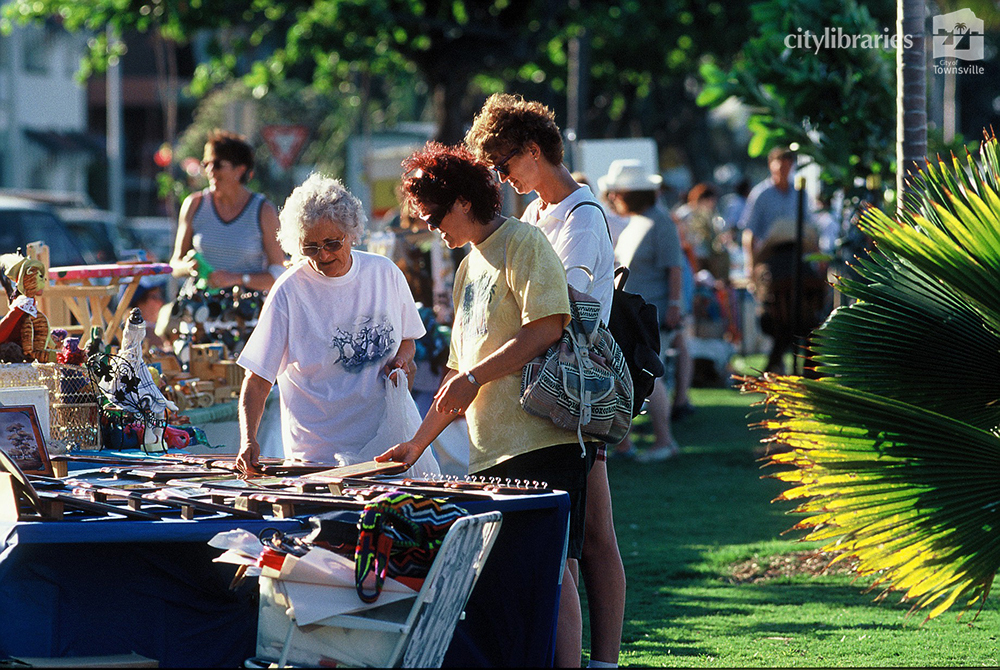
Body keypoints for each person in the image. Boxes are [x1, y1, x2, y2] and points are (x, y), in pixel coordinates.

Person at [375, 142, 591, 669]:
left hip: (543, 441)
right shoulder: (467, 266)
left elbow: (545, 327)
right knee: (512, 576)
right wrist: (416, 444)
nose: (431, 228)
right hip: (488, 451)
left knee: (553, 570)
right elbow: (455, 372)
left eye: (434, 215)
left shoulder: (525, 243)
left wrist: (474, 376)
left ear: (465, 201)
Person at [465, 93, 624, 669]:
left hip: (571, 392)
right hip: (546, 395)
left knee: (587, 543)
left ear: (533, 151)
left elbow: (563, 315)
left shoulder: (581, 217)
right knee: (588, 537)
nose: (502, 179)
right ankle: (589, 660)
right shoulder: (537, 215)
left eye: (504, 165)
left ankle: (596, 661)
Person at [235, 173, 428, 475]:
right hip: (316, 458)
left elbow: (407, 339)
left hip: (385, 448)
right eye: (310, 247)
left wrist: (403, 361)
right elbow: (258, 378)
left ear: (352, 233)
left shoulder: (385, 274)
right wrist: (248, 439)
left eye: (332, 243)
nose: (323, 255)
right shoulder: (288, 291)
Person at [601, 159, 684, 462]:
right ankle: (626, 443)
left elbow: (673, 268)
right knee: (636, 376)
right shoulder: (638, 221)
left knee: (652, 376)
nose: (612, 198)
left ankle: (664, 440)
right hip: (635, 316)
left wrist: (674, 305)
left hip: (653, 314)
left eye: (616, 193)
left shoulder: (660, 222)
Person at [739, 147, 825, 374]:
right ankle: (783, 358)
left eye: (788, 166)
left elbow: (808, 229)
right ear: (771, 166)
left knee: (810, 297)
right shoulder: (761, 194)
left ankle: (802, 360)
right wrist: (751, 265)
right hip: (772, 258)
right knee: (775, 307)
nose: (783, 171)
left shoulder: (800, 194)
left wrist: (818, 256)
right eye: (780, 167)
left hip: (797, 255)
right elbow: (749, 234)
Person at [170, 130, 285, 293]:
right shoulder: (194, 204)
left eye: (217, 164)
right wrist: (189, 267)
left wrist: (238, 278)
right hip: (201, 309)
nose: (210, 171)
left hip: (246, 312)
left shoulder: (263, 210)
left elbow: (278, 274)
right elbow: (174, 265)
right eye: (206, 164)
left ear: (240, 170)